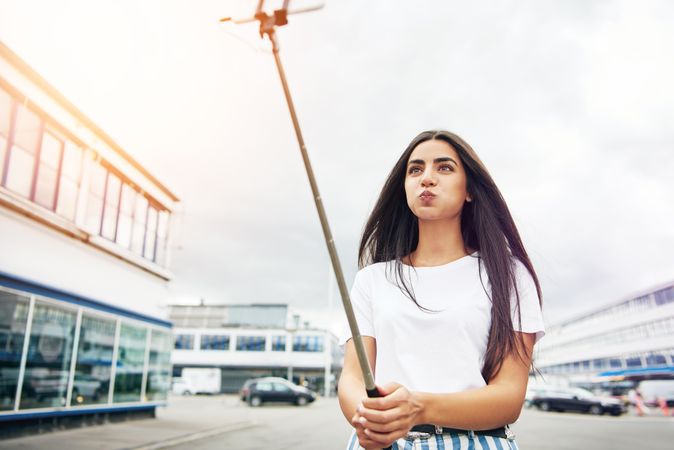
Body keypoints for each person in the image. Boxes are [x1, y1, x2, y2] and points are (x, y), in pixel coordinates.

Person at [338, 130, 545, 450]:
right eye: (415, 169)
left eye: (444, 167)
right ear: (405, 187)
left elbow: (509, 396)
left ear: (470, 191)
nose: (427, 178)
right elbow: (352, 378)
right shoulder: (371, 280)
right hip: (384, 443)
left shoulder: (509, 276)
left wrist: (420, 407)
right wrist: (368, 418)